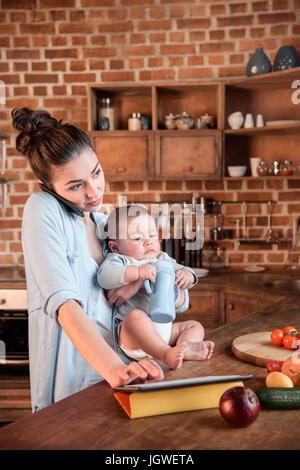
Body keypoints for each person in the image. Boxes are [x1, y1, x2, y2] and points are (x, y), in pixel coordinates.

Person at [11, 108, 164, 412]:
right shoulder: (42, 209)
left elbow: (159, 267)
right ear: (47, 185)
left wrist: (134, 283)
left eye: (96, 172)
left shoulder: (106, 223)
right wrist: (113, 371)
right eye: (75, 185)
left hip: (120, 376)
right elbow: (64, 304)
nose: (94, 192)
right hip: (74, 387)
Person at [97, 205, 214, 370]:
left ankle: (185, 347)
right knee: (135, 317)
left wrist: (187, 275)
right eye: (137, 238)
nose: (148, 241)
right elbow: (105, 277)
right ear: (116, 247)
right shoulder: (121, 260)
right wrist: (137, 273)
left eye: (152, 235)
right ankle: (166, 354)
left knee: (194, 326)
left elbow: (186, 271)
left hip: (163, 331)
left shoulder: (162, 259)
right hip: (134, 338)